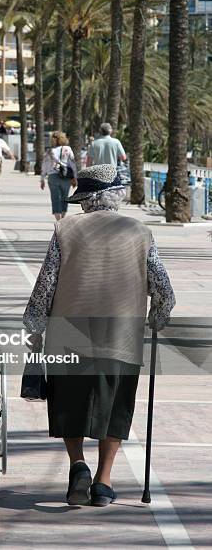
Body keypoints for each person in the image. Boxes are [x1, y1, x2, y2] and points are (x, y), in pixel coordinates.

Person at [23, 165, 175, 508]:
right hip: (121, 337)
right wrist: (157, 317)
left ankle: (78, 464)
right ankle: (103, 482)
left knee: (68, 404)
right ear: (115, 195)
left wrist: (34, 327)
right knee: (116, 409)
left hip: (69, 335)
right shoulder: (140, 231)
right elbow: (163, 289)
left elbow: (45, 286)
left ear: (87, 199)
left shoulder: (65, 229)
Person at [40, 131, 78, 221]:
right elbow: (72, 164)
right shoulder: (67, 149)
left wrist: (42, 179)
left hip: (53, 176)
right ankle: (63, 218)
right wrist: (75, 177)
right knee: (65, 197)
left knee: (55, 198)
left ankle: (58, 220)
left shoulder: (50, 151)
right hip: (65, 177)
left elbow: (44, 165)